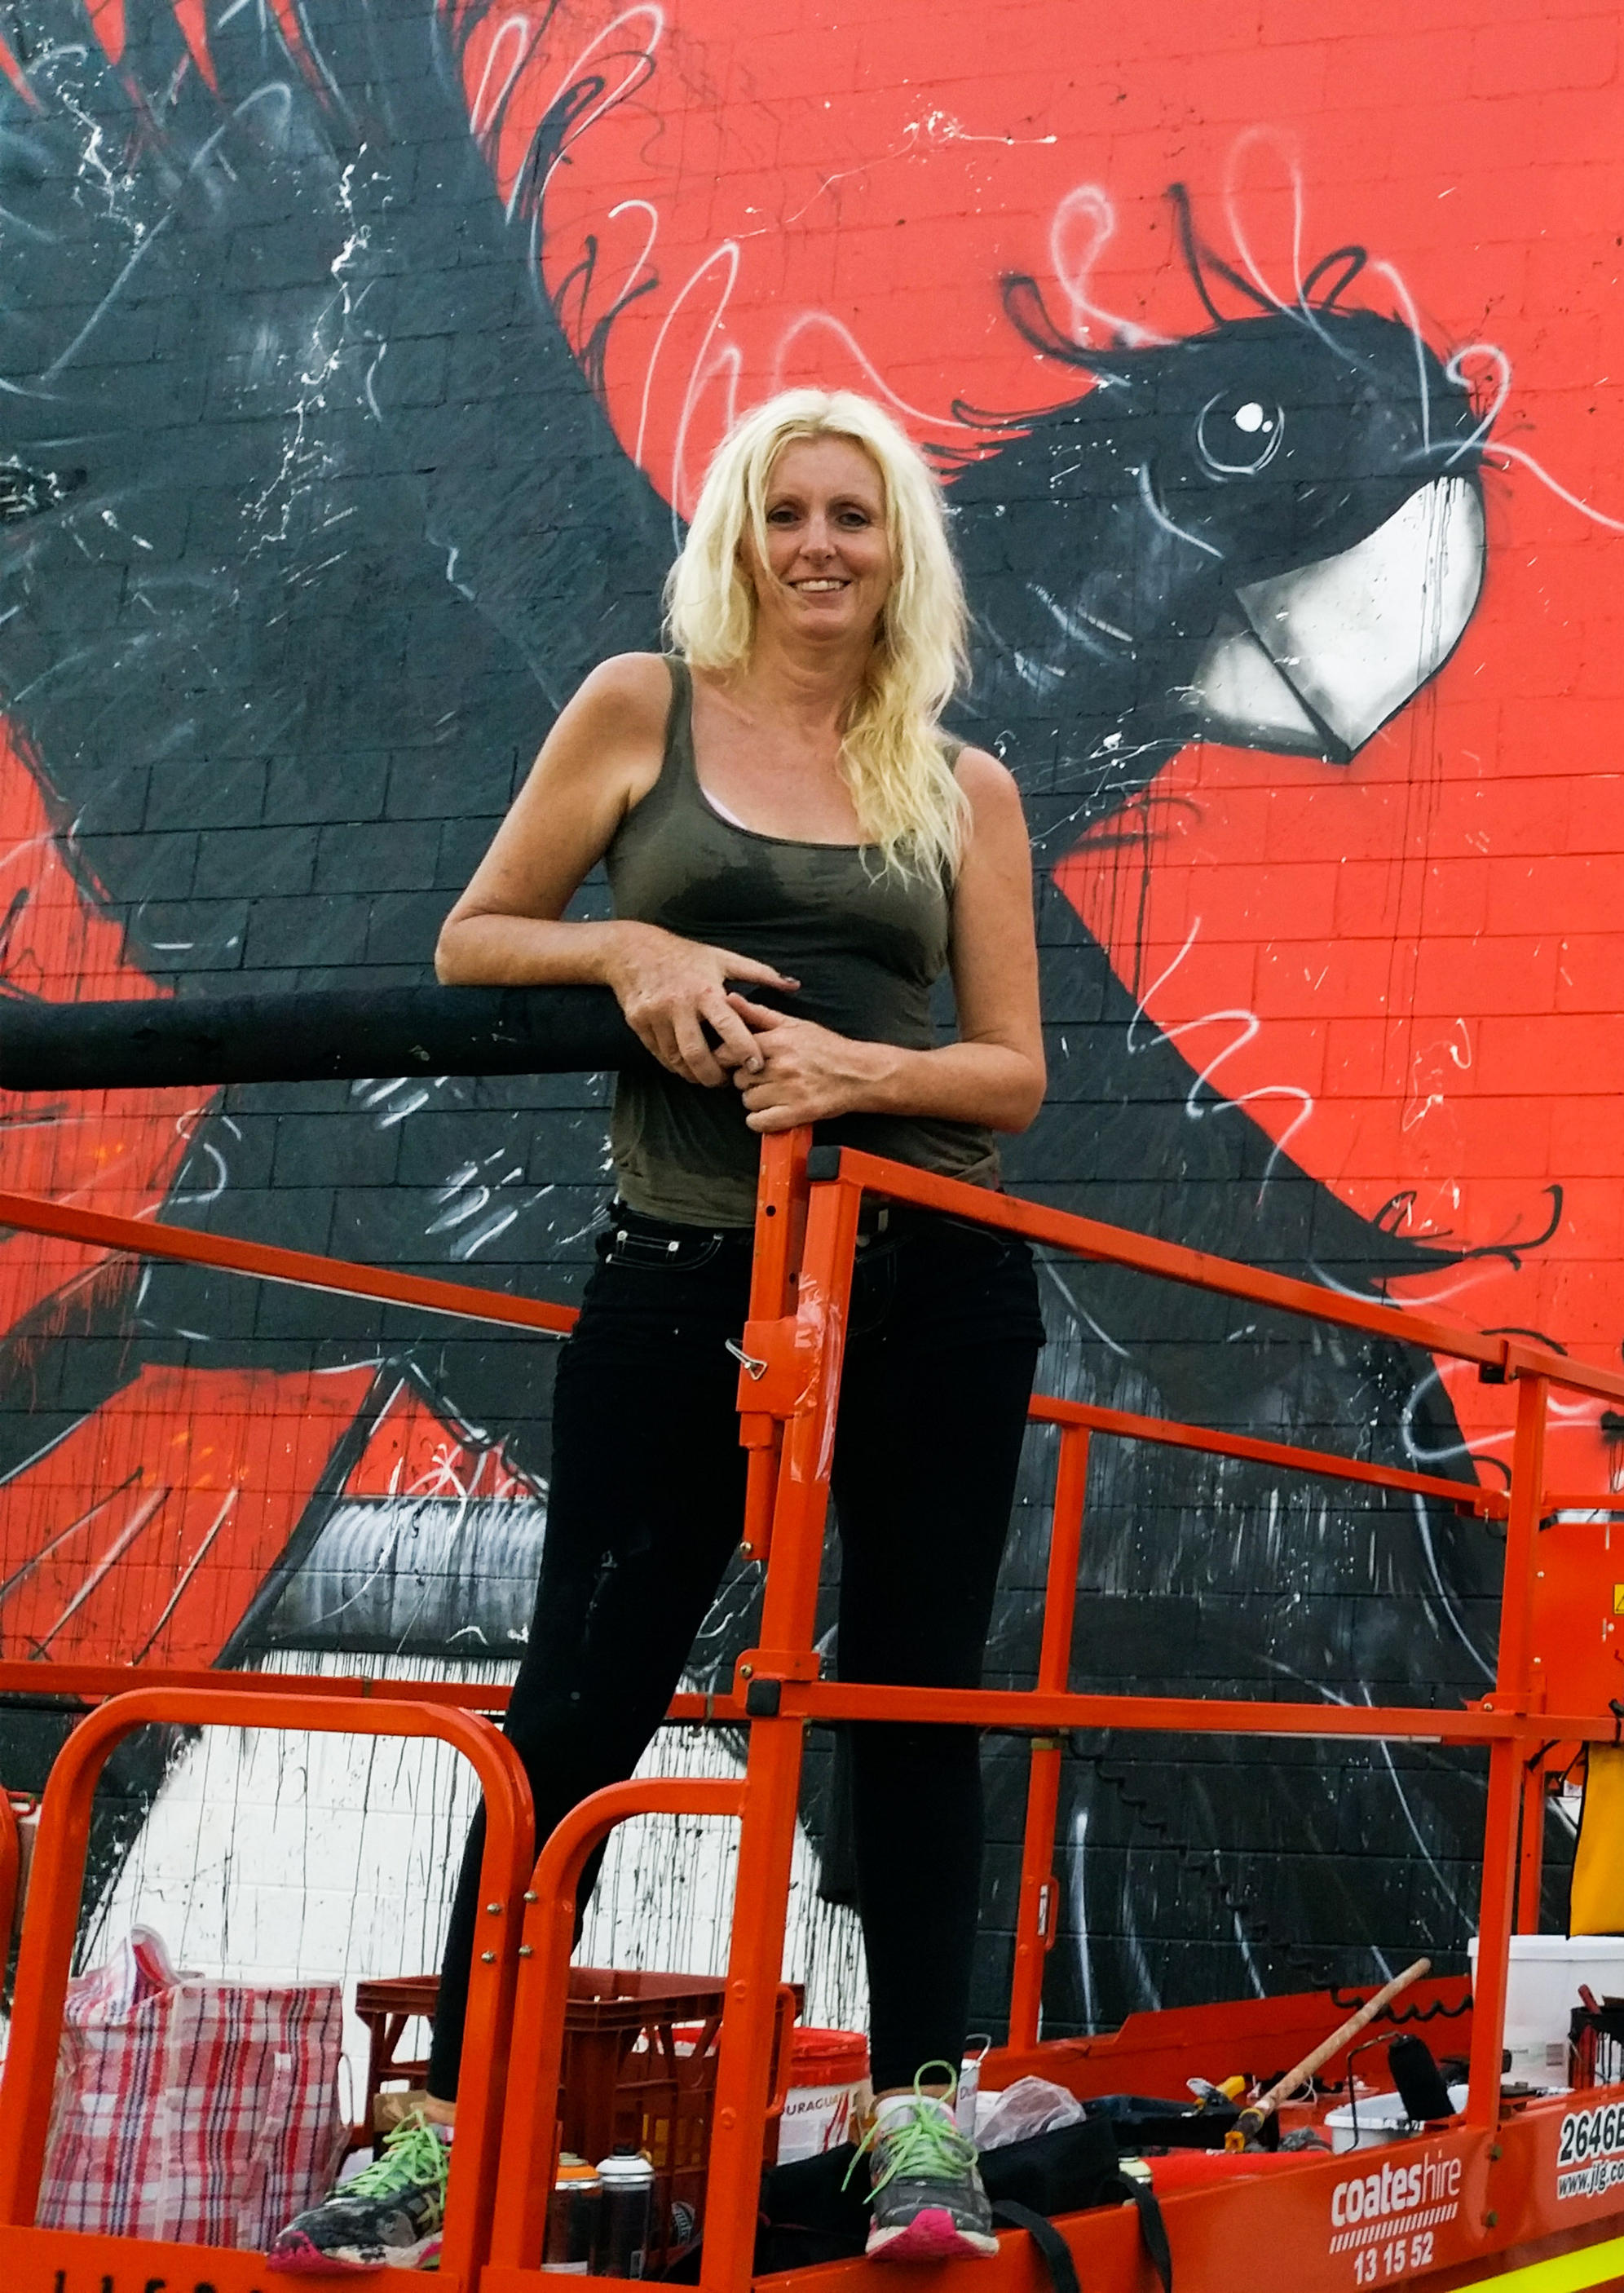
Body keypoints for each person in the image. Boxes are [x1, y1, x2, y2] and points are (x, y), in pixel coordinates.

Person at [271, 390, 1048, 2273]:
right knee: (579, 1696)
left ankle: (919, 2115)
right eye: (786, 511)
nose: (819, 546)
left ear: (898, 550)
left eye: (854, 516)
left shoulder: (966, 788)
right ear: (740, 536)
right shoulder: (645, 706)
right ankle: (446, 2122)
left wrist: (869, 1063)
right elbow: (478, 933)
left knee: (913, 1692)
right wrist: (634, 948)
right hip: (686, 1269)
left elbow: (1012, 1071)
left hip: (924, 1276)